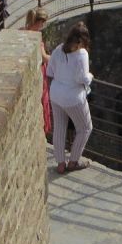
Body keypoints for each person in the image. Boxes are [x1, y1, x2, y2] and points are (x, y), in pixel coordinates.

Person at [46, 22, 94, 174]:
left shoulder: (58, 49)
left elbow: (50, 71)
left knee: (59, 129)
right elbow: (82, 78)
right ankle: (73, 161)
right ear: (80, 41)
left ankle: (61, 164)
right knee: (85, 128)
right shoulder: (82, 54)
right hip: (74, 98)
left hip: (56, 94)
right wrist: (90, 77)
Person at [23, 6, 52, 136]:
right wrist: (59, 57)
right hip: (39, 71)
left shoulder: (23, 31)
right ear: (39, 22)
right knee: (44, 98)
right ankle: (44, 128)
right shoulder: (36, 38)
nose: (43, 25)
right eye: (43, 22)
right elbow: (45, 58)